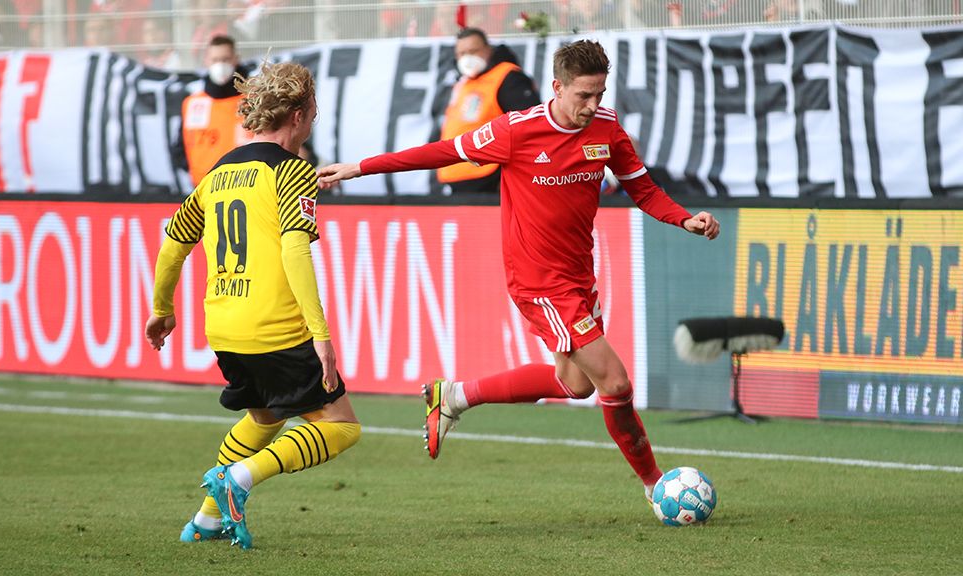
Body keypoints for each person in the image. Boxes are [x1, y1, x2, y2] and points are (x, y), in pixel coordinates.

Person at [318, 40, 719, 503]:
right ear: (557, 86)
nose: (592, 106)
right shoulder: (516, 131)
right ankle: (656, 486)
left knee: (576, 383)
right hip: (539, 281)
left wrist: (684, 217)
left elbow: (643, 189)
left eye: (600, 95)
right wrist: (359, 169)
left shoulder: (607, 129)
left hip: (579, 275)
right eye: (583, 96)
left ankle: (455, 396)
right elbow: (444, 152)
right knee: (616, 383)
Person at [146, 60, 361, 550]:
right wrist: (320, 335)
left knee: (265, 417)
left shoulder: (218, 173)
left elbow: (173, 245)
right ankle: (240, 479)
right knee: (342, 426)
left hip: (223, 325)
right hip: (275, 326)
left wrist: (162, 308)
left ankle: (204, 520)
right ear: (302, 114)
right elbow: (293, 247)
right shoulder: (292, 171)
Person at [437, 27, 540, 194]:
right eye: (461, 53)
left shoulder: (507, 77)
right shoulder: (463, 82)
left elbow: (530, 127)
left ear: (488, 49)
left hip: (489, 178)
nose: (467, 58)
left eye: (473, 51)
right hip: (457, 179)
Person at [181, 35, 253, 186]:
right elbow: (180, 146)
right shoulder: (193, 103)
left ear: (236, 59)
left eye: (225, 59)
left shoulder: (253, 100)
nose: (220, 65)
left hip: (243, 186)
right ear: (206, 61)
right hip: (203, 188)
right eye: (215, 60)